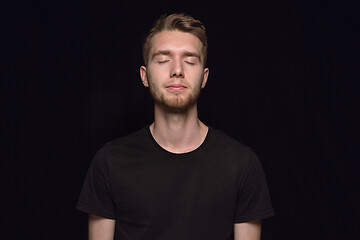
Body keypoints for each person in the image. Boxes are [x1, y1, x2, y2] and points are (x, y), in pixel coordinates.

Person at [76, 13, 274, 240]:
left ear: (204, 77)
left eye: (190, 60)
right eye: (163, 60)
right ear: (145, 75)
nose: (177, 70)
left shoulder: (242, 164)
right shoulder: (109, 162)